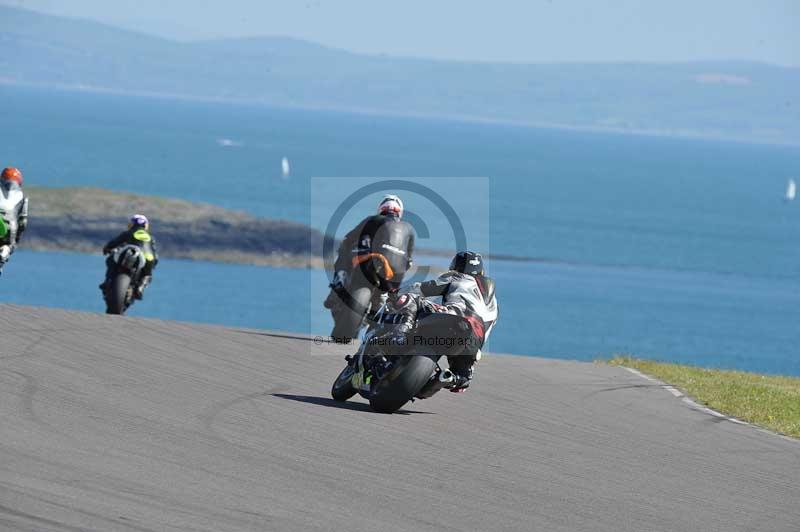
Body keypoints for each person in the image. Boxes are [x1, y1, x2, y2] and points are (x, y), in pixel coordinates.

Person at [383, 251, 498, 392]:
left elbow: (421, 289)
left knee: (412, 299)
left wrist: (395, 294)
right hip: (474, 343)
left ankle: (400, 335)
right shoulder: (493, 301)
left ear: (456, 265)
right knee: (461, 379)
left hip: (454, 318)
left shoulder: (457, 277)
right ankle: (448, 378)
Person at [324, 194, 415, 308]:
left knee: (345, 249)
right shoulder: (408, 229)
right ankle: (385, 300)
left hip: (371, 261)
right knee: (390, 295)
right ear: (399, 212)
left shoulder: (373, 219)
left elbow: (349, 238)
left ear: (381, 208)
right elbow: (409, 259)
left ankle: (339, 281)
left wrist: (348, 248)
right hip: (394, 273)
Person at [99, 214, 159, 299]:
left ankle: (107, 281)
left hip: (129, 252)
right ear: (146, 225)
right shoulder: (151, 238)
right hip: (147, 257)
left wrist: (107, 248)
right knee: (148, 274)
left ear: (132, 224)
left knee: (111, 259)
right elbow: (155, 254)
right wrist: (155, 262)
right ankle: (141, 286)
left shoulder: (128, 233)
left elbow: (115, 242)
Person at [0, 167, 29, 275]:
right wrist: (17, 238)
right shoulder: (22, 197)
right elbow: (23, 222)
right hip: (10, 227)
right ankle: (3, 254)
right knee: (10, 244)